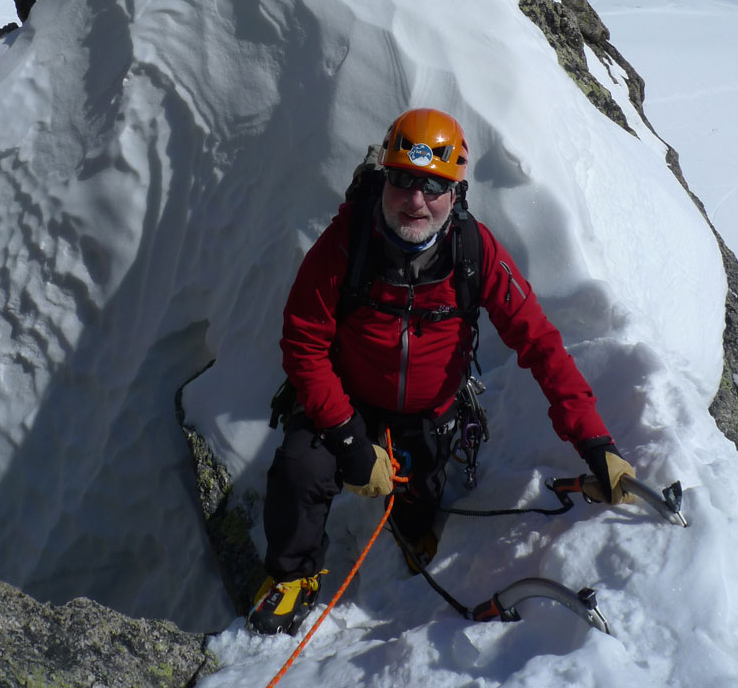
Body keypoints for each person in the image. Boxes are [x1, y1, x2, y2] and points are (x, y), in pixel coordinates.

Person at [248, 108, 635, 635]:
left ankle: (410, 525)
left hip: (430, 415)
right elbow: (303, 341)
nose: (415, 200)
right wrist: (349, 443)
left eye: (433, 185)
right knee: (300, 469)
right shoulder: (346, 244)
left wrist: (595, 441)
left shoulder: (475, 253)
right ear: (385, 179)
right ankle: (292, 574)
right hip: (345, 405)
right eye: (404, 180)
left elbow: (540, 343)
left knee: (418, 494)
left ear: (456, 193)